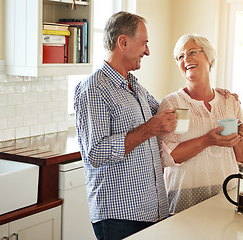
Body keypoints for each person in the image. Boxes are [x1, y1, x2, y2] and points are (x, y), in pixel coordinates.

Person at [74, 11, 178, 240]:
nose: (147, 51)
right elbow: (96, 153)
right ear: (123, 42)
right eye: (145, 43)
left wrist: (213, 96)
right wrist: (148, 129)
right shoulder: (93, 88)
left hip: (152, 210)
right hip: (119, 216)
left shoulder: (135, 87)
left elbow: (167, 113)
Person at [157, 34, 243, 214]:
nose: (186, 59)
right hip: (184, 195)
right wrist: (207, 140)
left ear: (210, 59)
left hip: (227, 190)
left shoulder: (230, 102)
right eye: (180, 56)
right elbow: (170, 157)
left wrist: (240, 137)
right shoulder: (174, 104)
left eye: (192, 52)